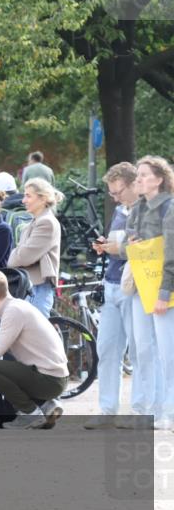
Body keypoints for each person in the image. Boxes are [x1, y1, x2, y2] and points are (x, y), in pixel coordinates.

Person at [0, 268, 68, 429]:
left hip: (50, 381)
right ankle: (45, 406)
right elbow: (15, 347)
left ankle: (31, 413)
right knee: (3, 364)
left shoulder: (12, 312)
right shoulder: (18, 306)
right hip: (53, 377)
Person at [86, 162, 142, 429]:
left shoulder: (145, 211)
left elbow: (145, 248)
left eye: (118, 192)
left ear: (133, 185)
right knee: (107, 349)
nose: (115, 198)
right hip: (111, 284)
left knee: (140, 350)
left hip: (134, 287)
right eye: (111, 193)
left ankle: (141, 409)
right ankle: (108, 409)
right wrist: (105, 246)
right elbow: (118, 244)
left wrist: (116, 248)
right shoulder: (120, 211)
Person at [119, 155, 174, 430]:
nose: (138, 179)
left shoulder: (169, 208)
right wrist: (130, 242)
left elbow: (172, 254)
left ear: (159, 179)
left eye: (143, 175)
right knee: (143, 350)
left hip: (163, 289)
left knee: (168, 352)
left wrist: (165, 292)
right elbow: (129, 243)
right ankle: (151, 409)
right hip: (142, 286)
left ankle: (170, 412)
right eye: (137, 175)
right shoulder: (137, 208)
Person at [6, 178, 62, 318]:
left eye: (28, 196)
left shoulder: (46, 222)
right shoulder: (36, 221)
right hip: (32, 286)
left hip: (38, 287)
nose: (23, 200)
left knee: (35, 337)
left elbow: (23, 256)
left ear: (42, 199)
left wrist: (13, 256)